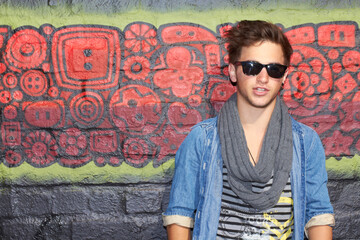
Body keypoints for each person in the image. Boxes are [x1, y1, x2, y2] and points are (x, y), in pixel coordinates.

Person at [162, 20, 335, 239]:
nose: (263, 78)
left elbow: (317, 216)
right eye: (252, 67)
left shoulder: (305, 142)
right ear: (233, 72)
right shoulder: (203, 139)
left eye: (274, 69)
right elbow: (180, 216)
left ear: (284, 76)